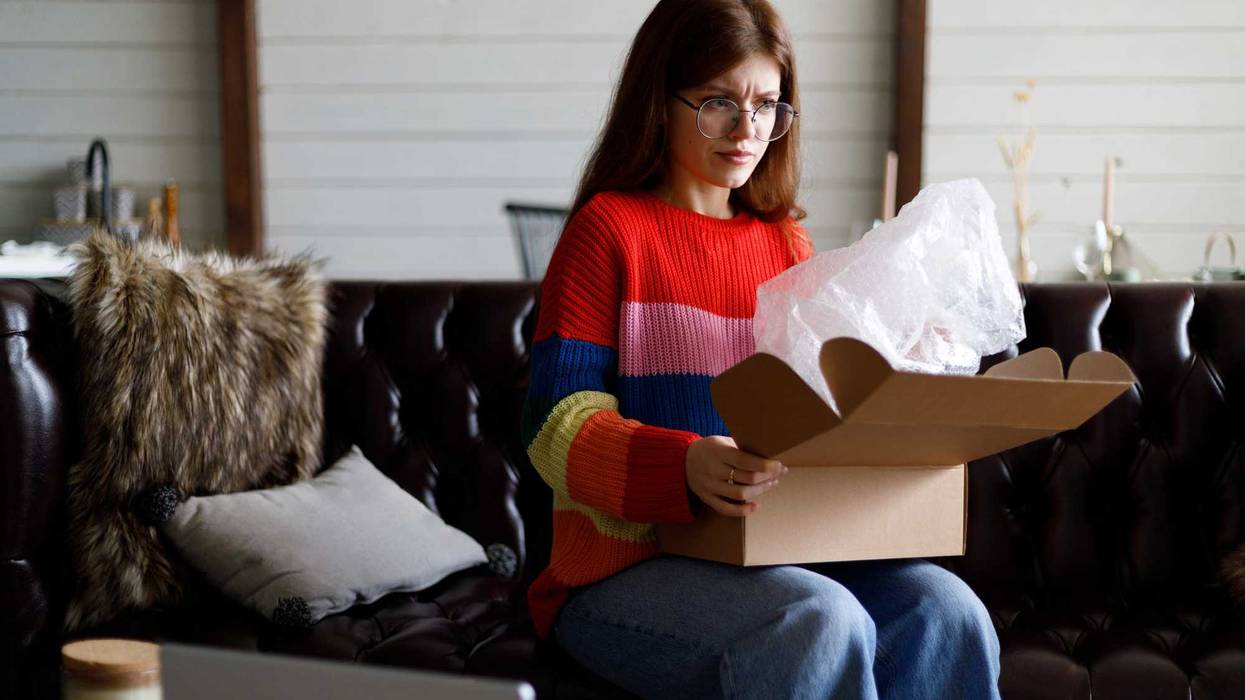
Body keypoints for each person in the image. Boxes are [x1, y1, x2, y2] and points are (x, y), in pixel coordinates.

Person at [520, 1, 1002, 697]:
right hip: (622, 572)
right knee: (816, 617)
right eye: (719, 102)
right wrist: (681, 463)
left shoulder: (786, 243)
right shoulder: (608, 232)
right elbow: (552, 426)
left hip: (774, 552)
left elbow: (819, 408)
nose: (747, 130)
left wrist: (905, 363)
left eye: (767, 105)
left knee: (946, 609)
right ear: (659, 101)